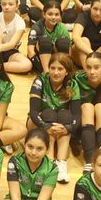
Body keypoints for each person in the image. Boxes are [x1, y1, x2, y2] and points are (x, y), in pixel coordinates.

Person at [27, 53, 78, 182]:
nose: (55, 72)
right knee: (49, 113)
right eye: (53, 68)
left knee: (65, 115)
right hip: (37, 122)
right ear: (48, 68)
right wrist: (46, 126)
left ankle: (61, 162)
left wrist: (67, 128)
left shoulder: (72, 84)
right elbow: (33, 112)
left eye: (60, 69)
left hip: (60, 124)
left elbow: (78, 115)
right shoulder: (40, 81)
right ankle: (48, 161)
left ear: (67, 72)